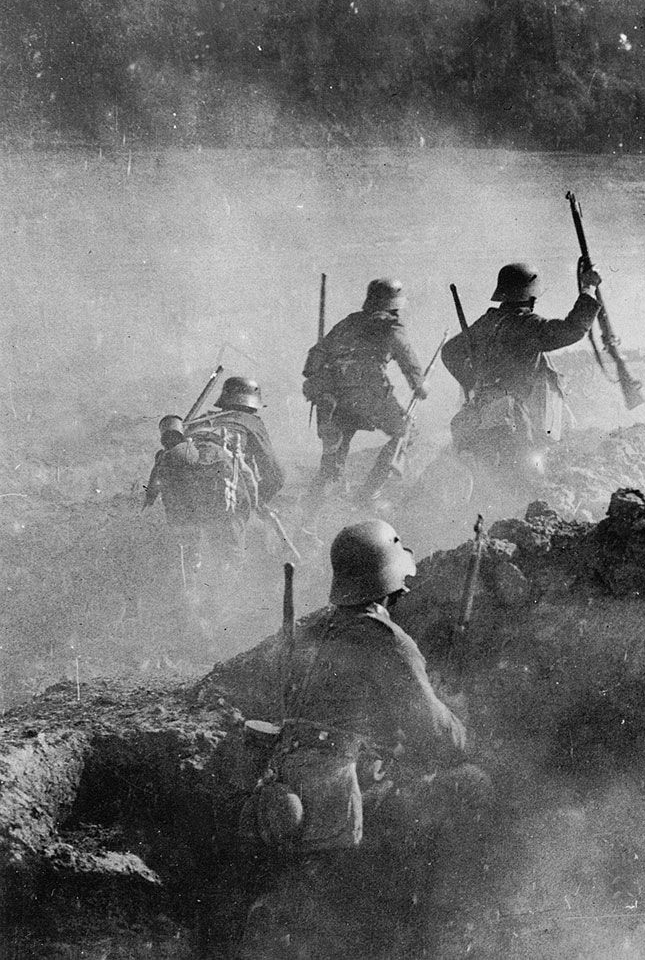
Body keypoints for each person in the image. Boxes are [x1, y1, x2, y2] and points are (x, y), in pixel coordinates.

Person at [251, 519, 486, 854]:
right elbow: (433, 732)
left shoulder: (315, 630)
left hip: (289, 789)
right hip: (338, 803)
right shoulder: (387, 642)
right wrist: (468, 738)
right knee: (474, 782)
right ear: (390, 578)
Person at [440, 260, 602, 473]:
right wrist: (588, 290)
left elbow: (449, 351)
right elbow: (571, 330)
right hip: (512, 414)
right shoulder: (527, 325)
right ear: (532, 296)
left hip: (481, 406)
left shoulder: (488, 321)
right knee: (524, 474)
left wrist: (471, 383)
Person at [303, 278, 429, 504]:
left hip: (333, 395)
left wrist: (318, 379)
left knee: (334, 456)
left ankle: (311, 516)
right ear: (394, 304)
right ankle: (370, 493)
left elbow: (314, 359)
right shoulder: (389, 326)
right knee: (406, 431)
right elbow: (406, 357)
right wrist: (419, 385)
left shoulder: (347, 322)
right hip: (368, 394)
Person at [146, 379, 286, 572]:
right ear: (252, 403)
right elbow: (275, 474)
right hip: (221, 476)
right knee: (229, 552)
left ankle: (188, 582)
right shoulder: (250, 421)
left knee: (187, 545)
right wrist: (259, 500)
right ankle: (224, 594)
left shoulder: (201, 420)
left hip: (178, 476)